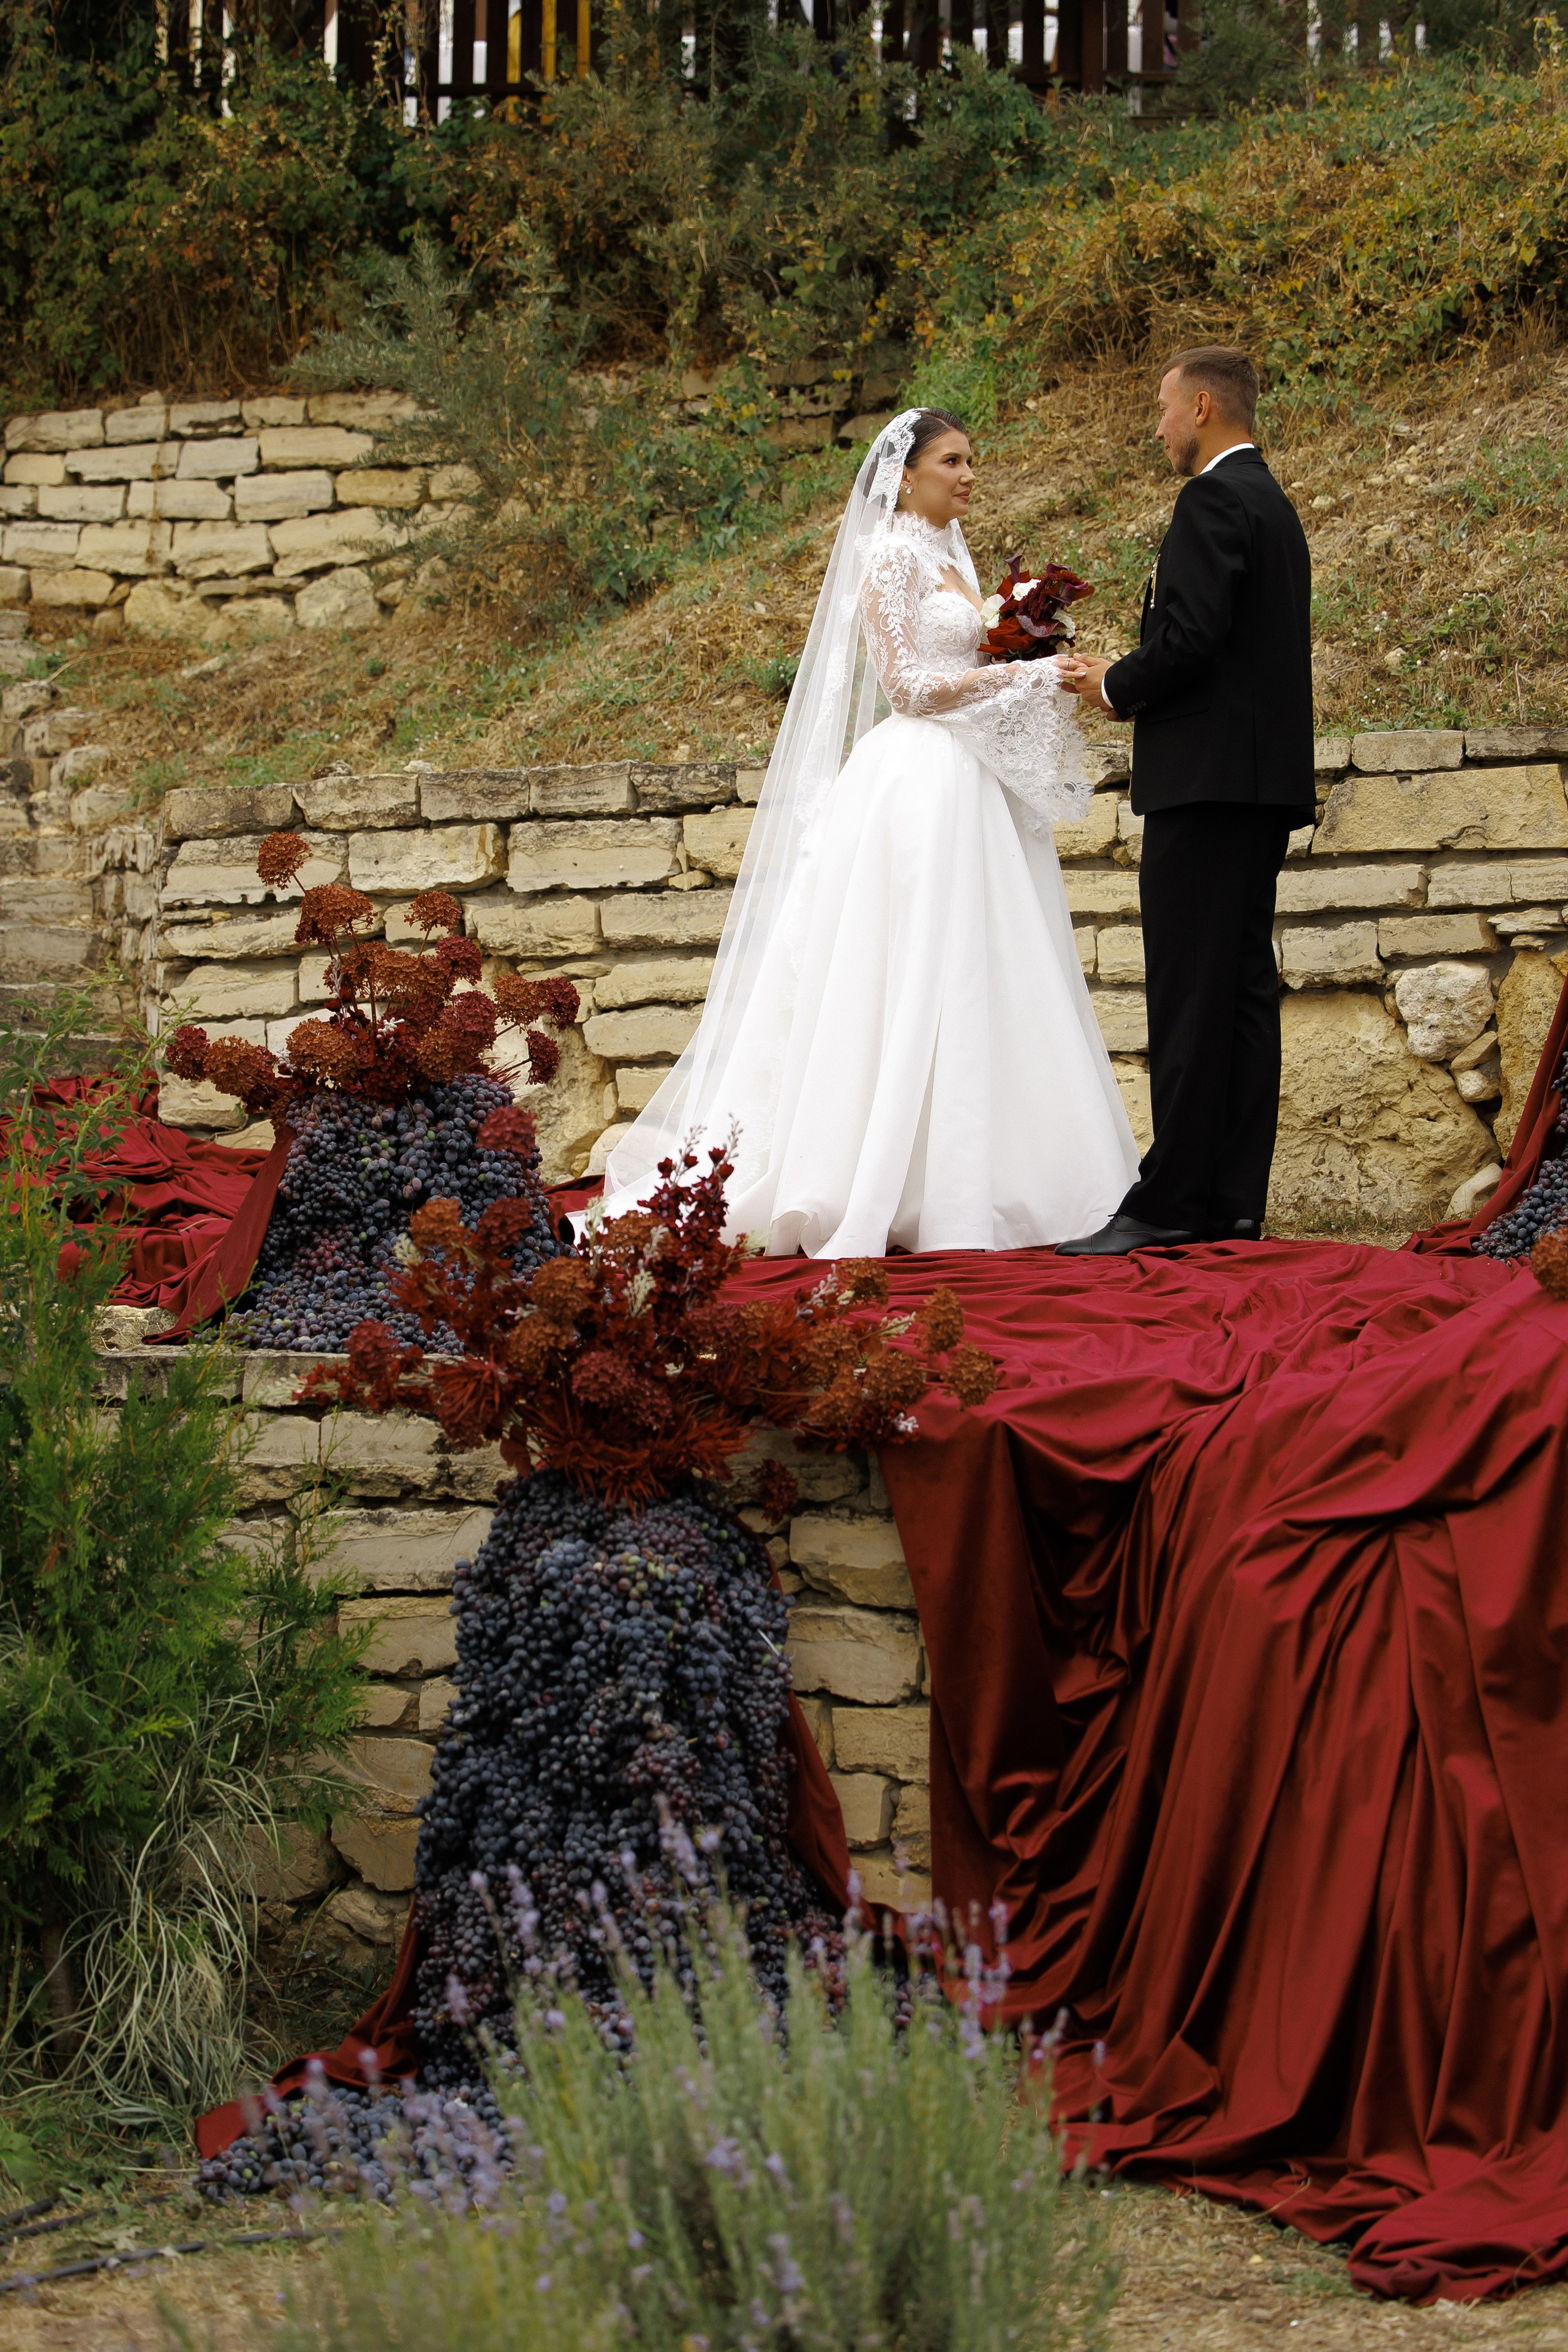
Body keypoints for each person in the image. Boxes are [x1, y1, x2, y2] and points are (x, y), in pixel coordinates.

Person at [594, 407, 1139, 1257]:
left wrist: (1021, 658)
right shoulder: (889, 556)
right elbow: (908, 686)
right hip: (918, 781)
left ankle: (991, 1174)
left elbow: (963, 665)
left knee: (982, 963)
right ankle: (876, 1173)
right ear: (905, 475)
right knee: (909, 965)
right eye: (952, 461)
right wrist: (1025, 678)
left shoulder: (951, 554)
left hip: (968, 781)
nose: (969, 474)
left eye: (972, 460)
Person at [1057, 347, 1315, 1256]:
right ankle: (1230, 1201)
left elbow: (1193, 636)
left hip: (1205, 786)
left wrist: (1112, 684)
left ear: (1203, 407)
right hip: (1259, 786)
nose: (1158, 427)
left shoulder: (1211, 499)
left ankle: (1169, 1204)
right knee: (1240, 992)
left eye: (1164, 409)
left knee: (1189, 993)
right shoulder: (1272, 503)